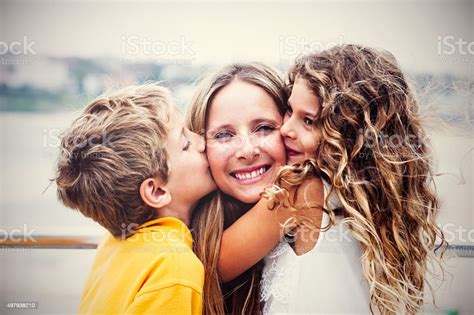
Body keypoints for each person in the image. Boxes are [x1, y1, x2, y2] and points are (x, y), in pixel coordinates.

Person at [260, 44, 448, 314]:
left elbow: (221, 261)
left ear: (350, 137)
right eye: (290, 111)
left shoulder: (304, 191)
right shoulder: (371, 207)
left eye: (309, 121)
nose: (286, 129)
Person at [55, 84, 215, 314]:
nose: (202, 141)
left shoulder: (112, 245)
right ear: (157, 192)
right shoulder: (175, 268)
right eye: (186, 144)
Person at [187, 63, 326, 314]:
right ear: (199, 146)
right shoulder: (193, 221)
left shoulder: (301, 191)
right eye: (223, 135)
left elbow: (212, 267)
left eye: (264, 128)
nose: (247, 151)